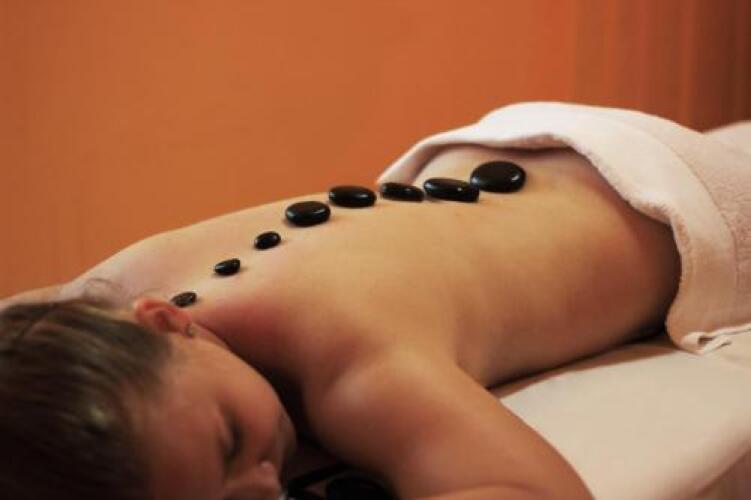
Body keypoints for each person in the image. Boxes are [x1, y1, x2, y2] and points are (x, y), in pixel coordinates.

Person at [2, 102, 749, 500]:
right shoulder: (108, 294)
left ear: (169, 324)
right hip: (515, 140)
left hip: (685, 206)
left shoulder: (347, 357)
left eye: (230, 442)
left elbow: (526, 489)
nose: (261, 484)